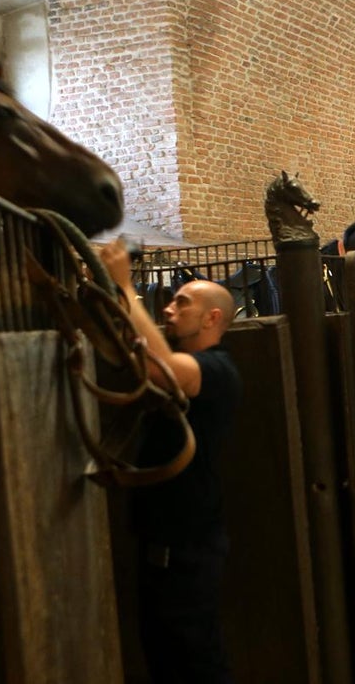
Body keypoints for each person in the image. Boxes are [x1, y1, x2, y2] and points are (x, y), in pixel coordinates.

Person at [100, 238, 242, 684]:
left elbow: (158, 368)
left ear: (212, 317)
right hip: (160, 546)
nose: (168, 309)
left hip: (188, 549)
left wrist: (125, 287)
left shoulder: (218, 371)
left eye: (182, 303)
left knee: (198, 664)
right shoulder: (191, 363)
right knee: (166, 663)